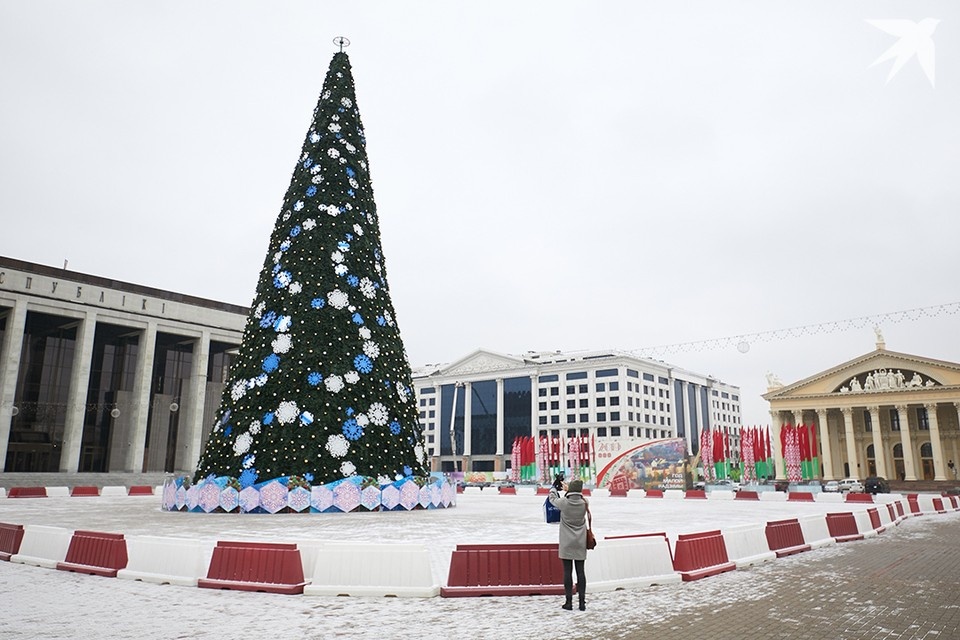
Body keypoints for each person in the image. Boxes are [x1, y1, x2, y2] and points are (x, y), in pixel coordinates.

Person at [548, 477, 592, 611]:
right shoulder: (585, 502)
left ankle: (568, 602)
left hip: (566, 542)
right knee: (580, 572)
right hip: (580, 542)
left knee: (567, 572)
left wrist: (554, 488)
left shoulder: (564, 502)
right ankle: (582, 603)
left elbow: (552, 499)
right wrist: (569, 489)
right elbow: (576, 495)